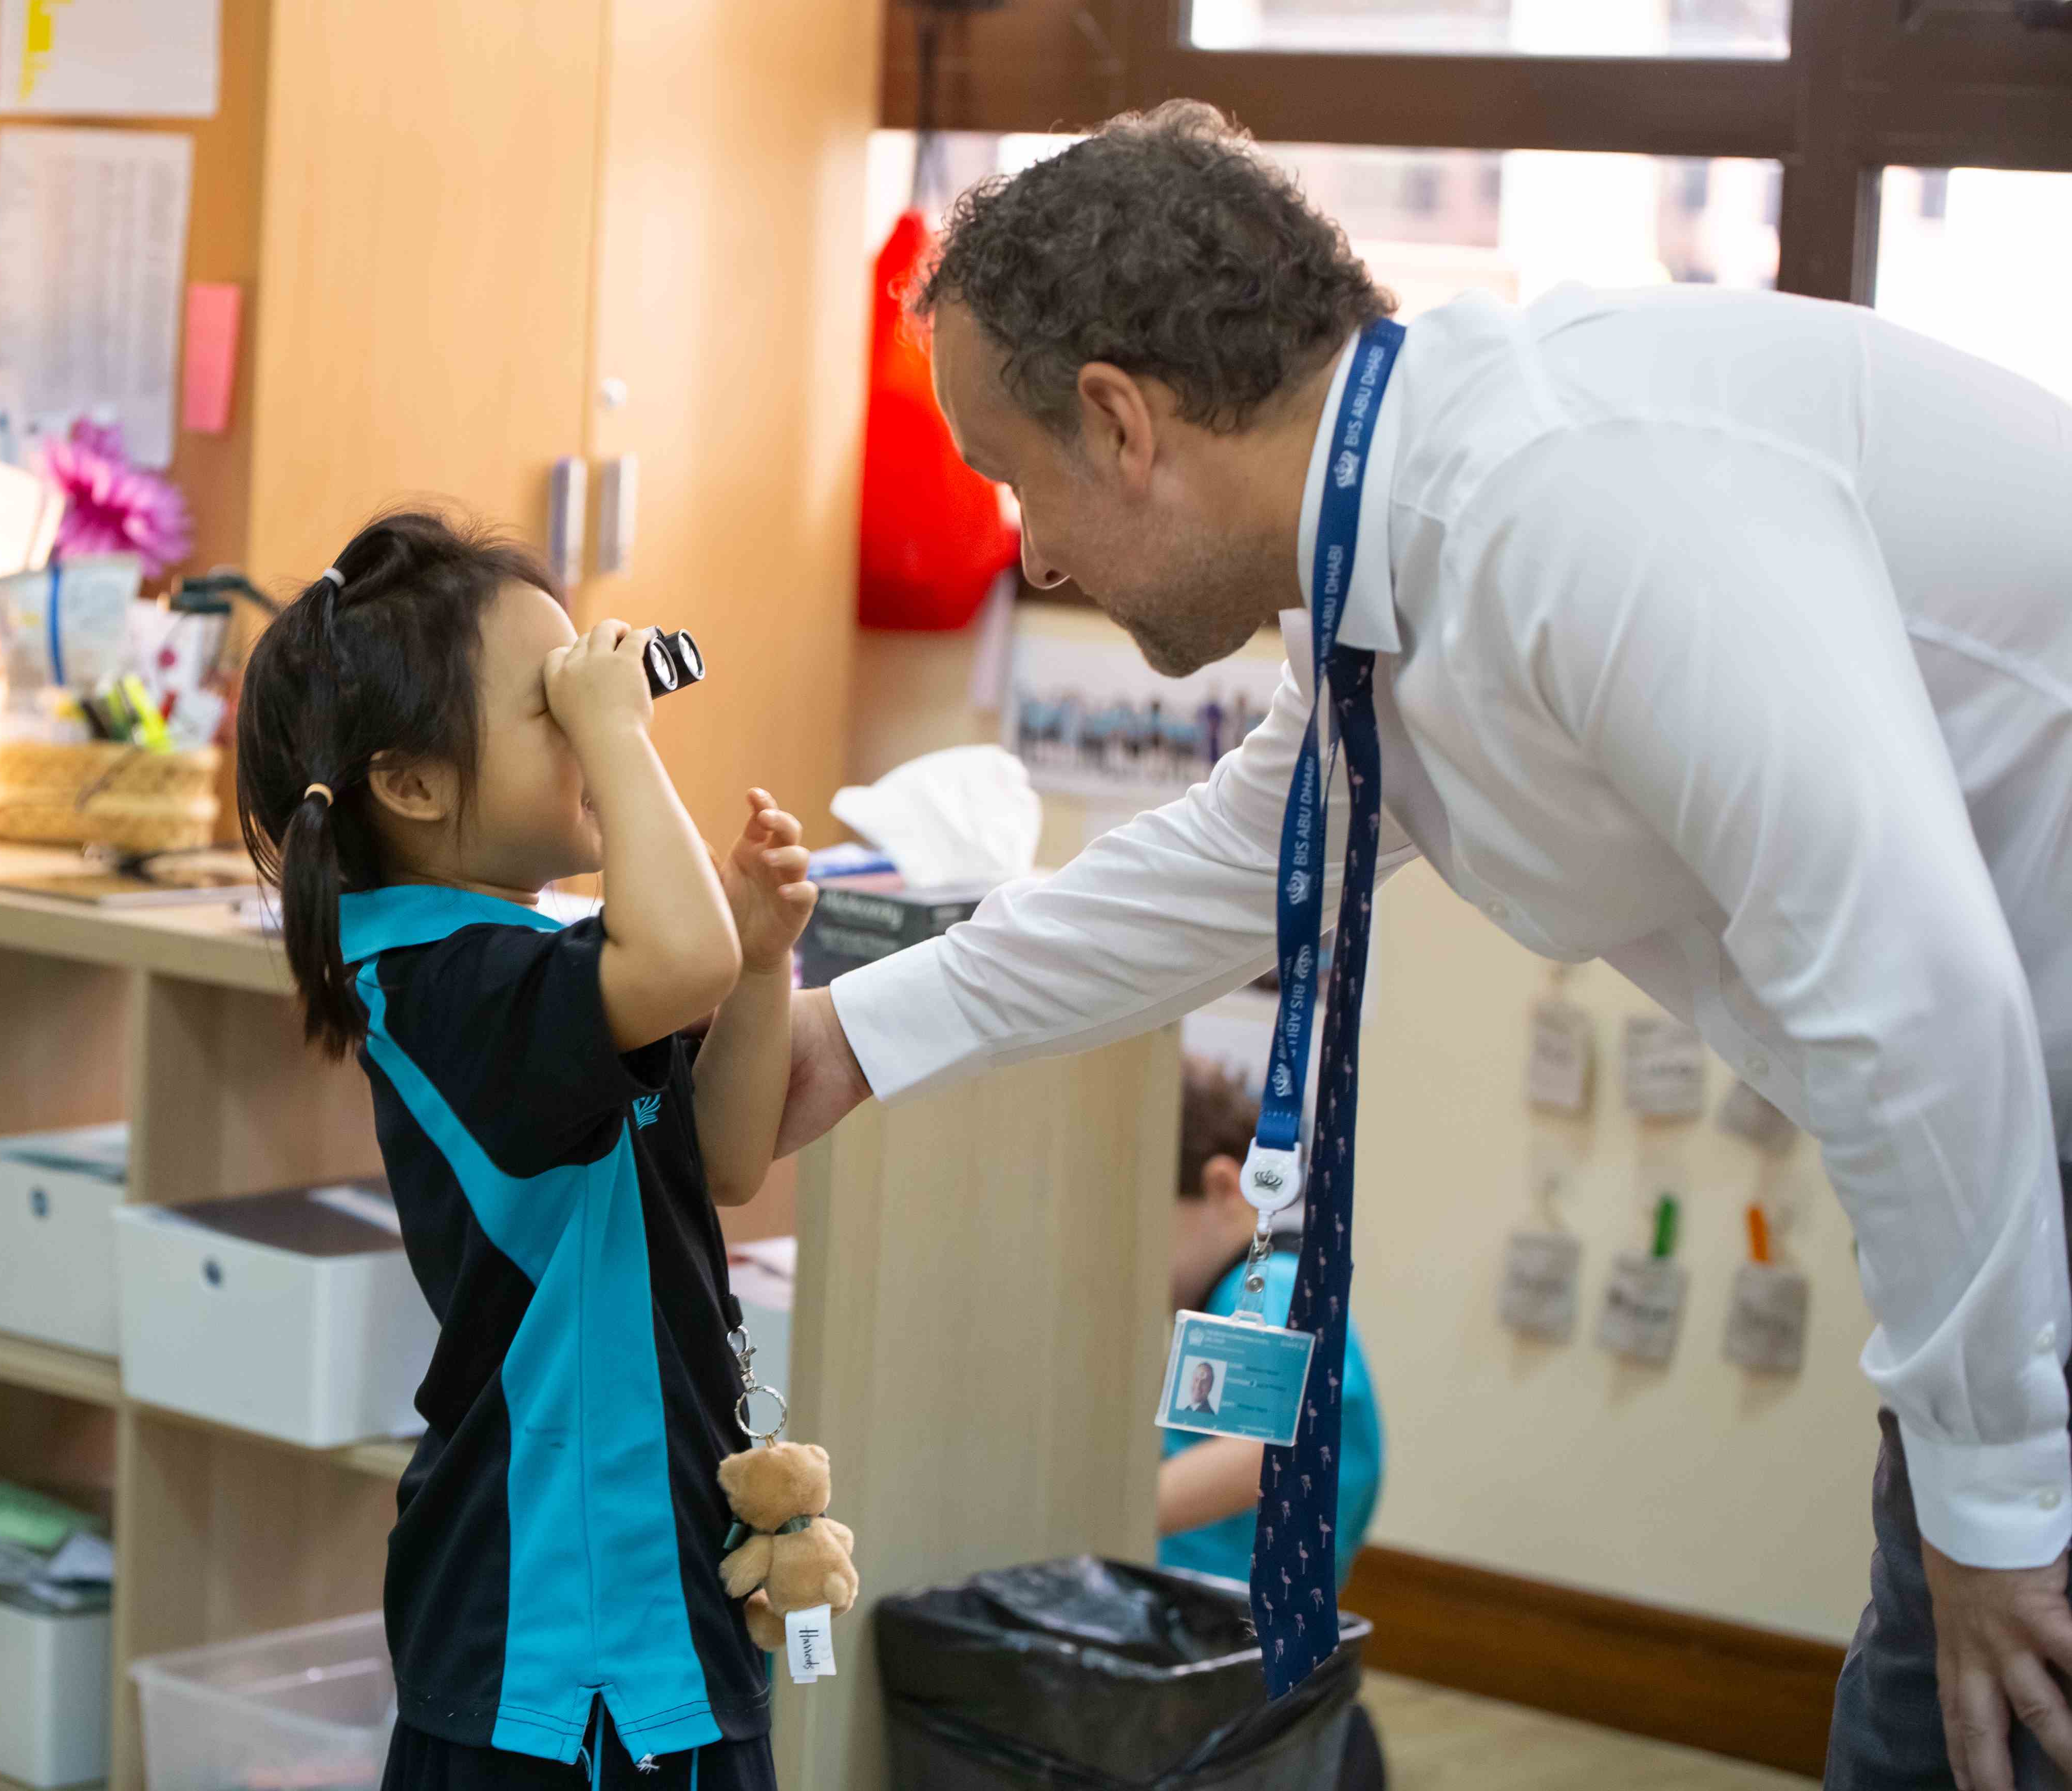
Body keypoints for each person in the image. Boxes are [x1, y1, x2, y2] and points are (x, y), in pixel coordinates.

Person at [774, 101, 2072, 1790]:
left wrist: (1998, 1509)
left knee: (1960, 1725)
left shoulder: (1568, 504)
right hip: (2018, 1148)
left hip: (2014, 1118)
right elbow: (1222, 862)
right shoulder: (1410, 551)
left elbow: (1918, 1001)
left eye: (1017, 478)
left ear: (1119, 419)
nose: (1037, 550)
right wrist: (847, 1039)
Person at [232, 511, 814, 1790]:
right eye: (556, 703)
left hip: (648, 1587)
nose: (598, 715)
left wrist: (764, 964)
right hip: (564, 1637)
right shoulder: (446, 986)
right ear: (413, 784)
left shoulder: (533, 961)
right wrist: (623, 738)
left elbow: (721, 1161)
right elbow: (682, 958)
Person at [1158, 1061, 1380, 1590]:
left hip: (1222, 1604)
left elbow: (1257, 1455)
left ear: (1221, 1187)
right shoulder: (1248, 1294)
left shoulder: (1263, 1287)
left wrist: (1109, 1511)